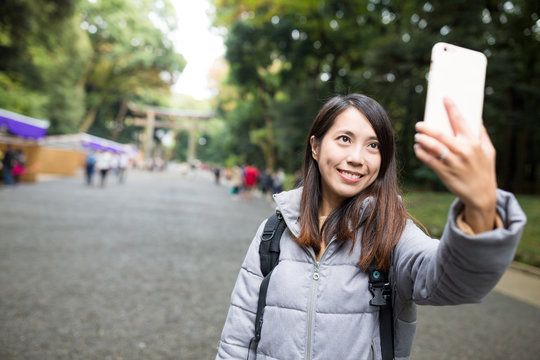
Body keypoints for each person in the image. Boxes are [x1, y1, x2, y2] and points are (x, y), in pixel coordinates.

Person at [216, 94, 526, 359]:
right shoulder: (274, 231)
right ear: (315, 146)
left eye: (373, 145)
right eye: (344, 139)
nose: (356, 157)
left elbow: (453, 281)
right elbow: (238, 335)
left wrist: (482, 206)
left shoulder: (392, 233)